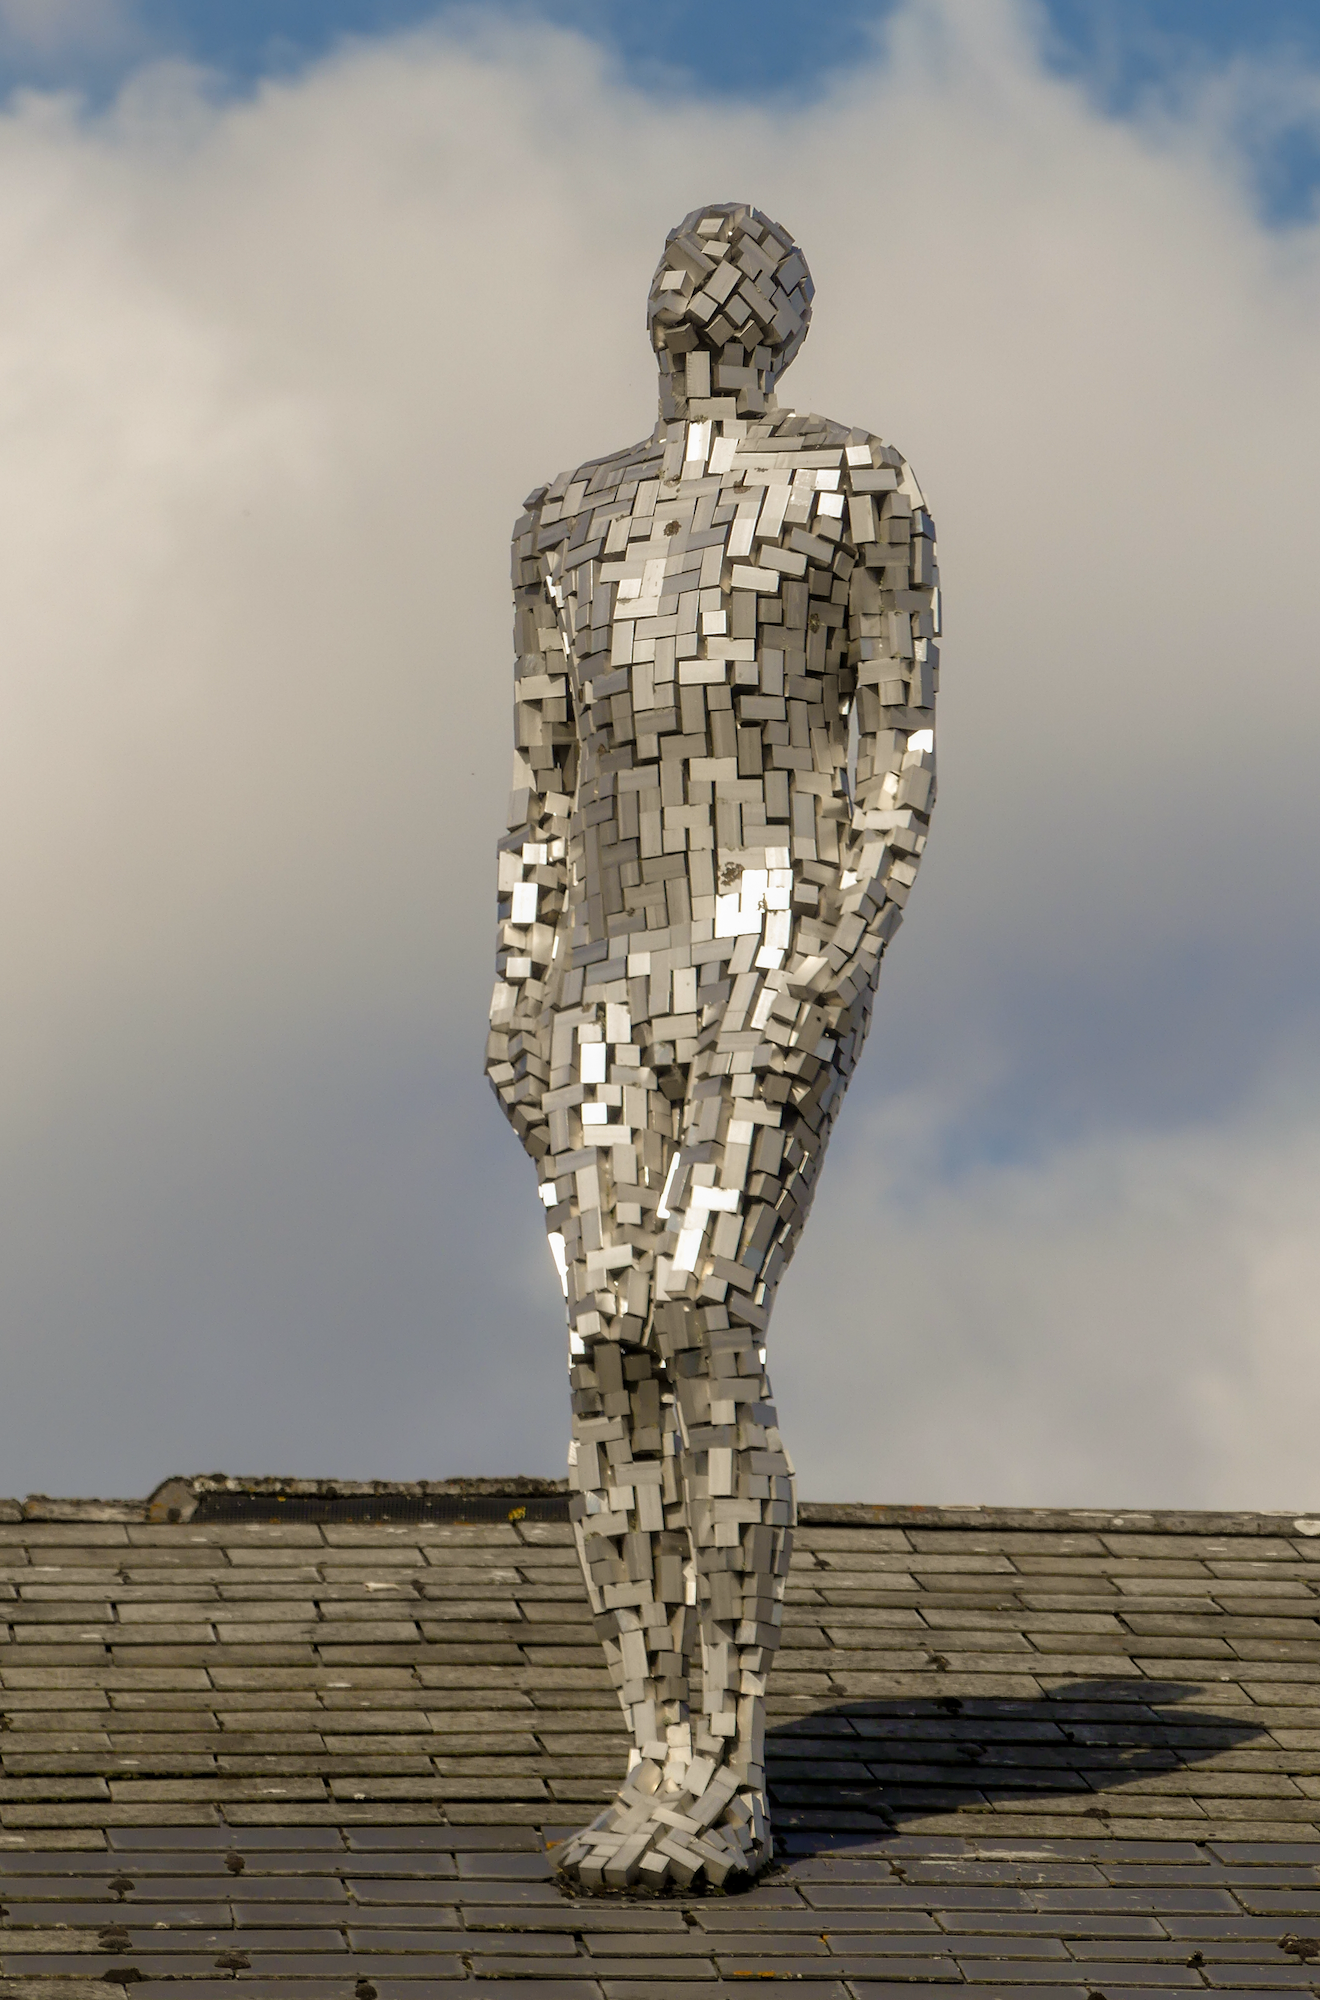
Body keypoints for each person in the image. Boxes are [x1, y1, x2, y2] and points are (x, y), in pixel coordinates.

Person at [484, 201, 939, 1891]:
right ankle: (655, 1756)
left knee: (699, 1310)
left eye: (748, 263)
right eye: (688, 256)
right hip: (606, 977)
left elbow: (891, 758)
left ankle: (719, 1770)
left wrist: (823, 966)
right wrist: (519, 980)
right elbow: (545, 779)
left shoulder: (854, 487)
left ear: (792, 316)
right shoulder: (567, 519)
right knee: (610, 1344)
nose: (713, 271)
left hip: (764, 958)